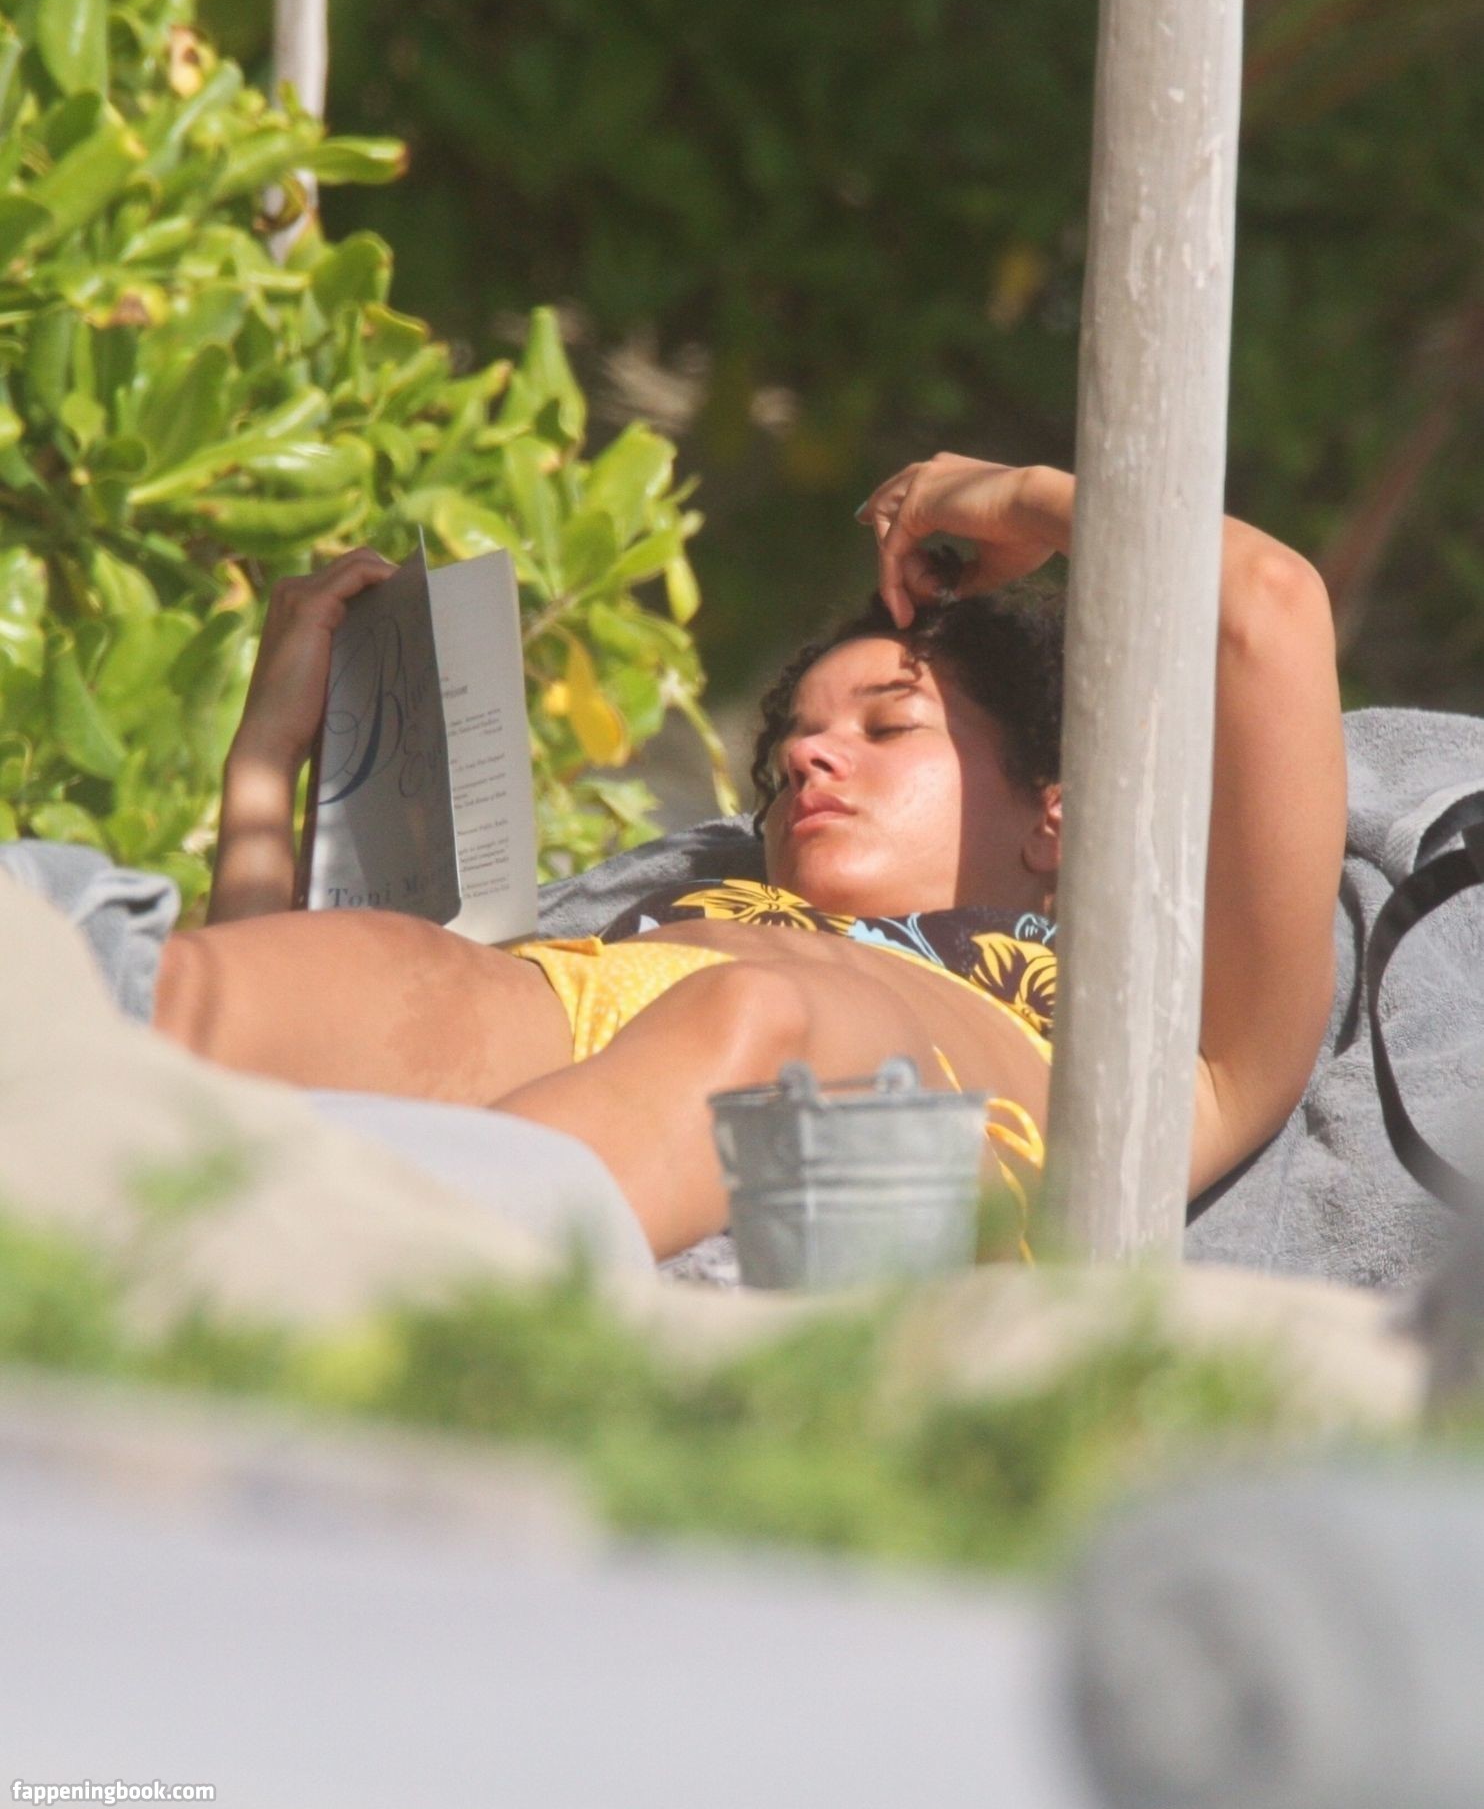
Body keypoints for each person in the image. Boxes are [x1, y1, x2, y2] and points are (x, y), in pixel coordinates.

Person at [152, 454, 1346, 1260]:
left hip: (874, 1116)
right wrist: (267, 760)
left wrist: (1016, 497)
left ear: (1057, 822)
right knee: (295, 987)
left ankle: (384, 1291)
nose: (809, 758)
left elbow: (1268, 603)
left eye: (887, 728)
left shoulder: (1153, 1067)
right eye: (787, 756)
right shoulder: (671, 925)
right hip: (576, 1003)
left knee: (763, 1022)